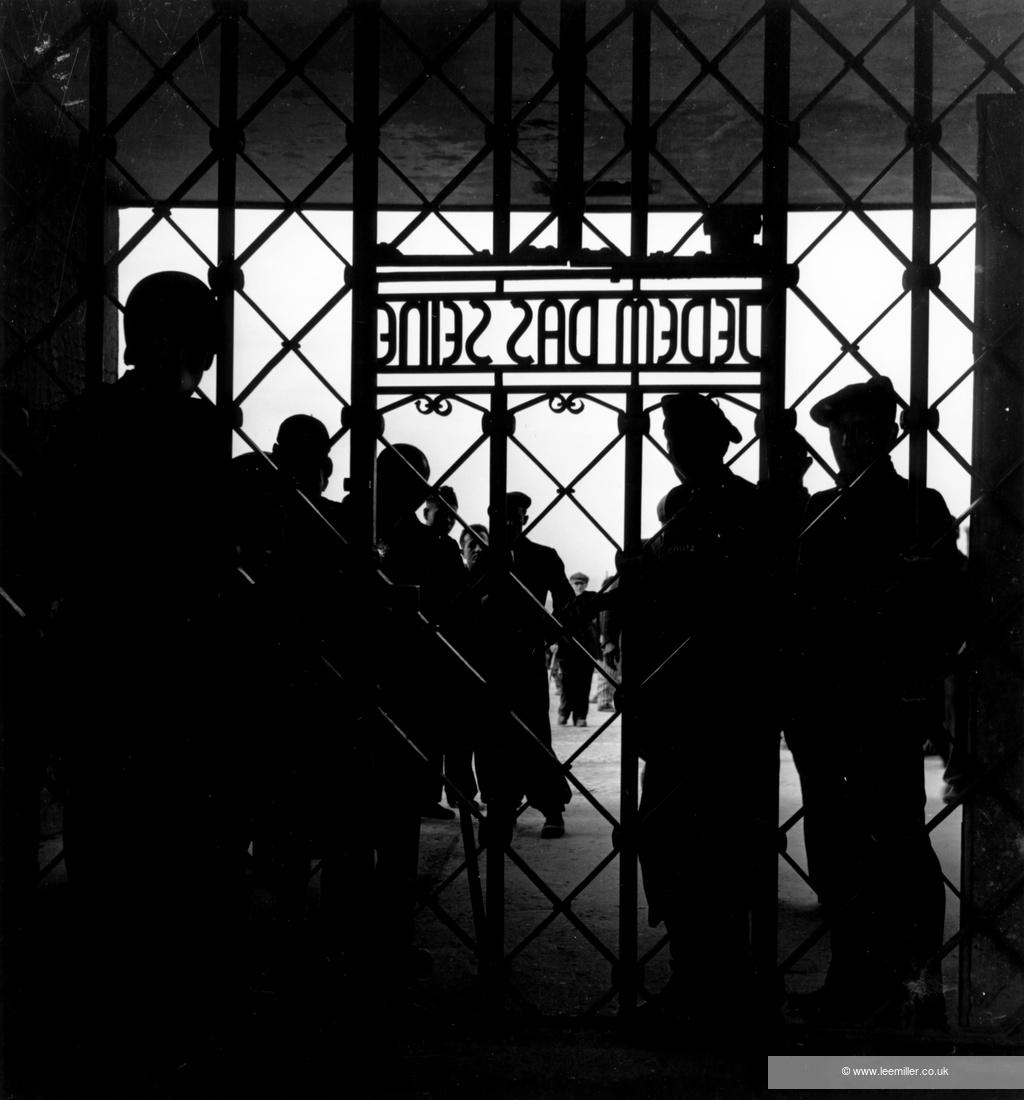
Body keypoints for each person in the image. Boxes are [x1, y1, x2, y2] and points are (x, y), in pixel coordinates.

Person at [35, 271, 238, 1072]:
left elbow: (51, 539)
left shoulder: (86, 421)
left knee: (110, 846)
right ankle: (162, 1013)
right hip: (170, 672)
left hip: (105, 667)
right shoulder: (191, 432)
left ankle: (110, 1010)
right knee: (170, 849)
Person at [787, 376, 961, 1028]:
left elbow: (947, 602)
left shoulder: (920, 505)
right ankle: (852, 979)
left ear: (889, 432)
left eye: (863, 428)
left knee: (897, 846)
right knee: (834, 850)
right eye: (839, 429)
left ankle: (918, 990)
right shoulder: (816, 509)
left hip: (883, 704)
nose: (849, 441)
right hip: (823, 707)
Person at [618, 393, 769, 1037]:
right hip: (672, 709)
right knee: (668, 843)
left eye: (690, 437)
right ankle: (695, 976)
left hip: (722, 708)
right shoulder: (678, 513)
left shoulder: (745, 508)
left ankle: (717, 986)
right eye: (671, 438)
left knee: (717, 851)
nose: (678, 449)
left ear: (721, 440)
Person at [472, 492, 574, 840]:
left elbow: (566, 605)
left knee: (533, 733)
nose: (511, 523)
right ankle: (502, 804)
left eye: (516, 517)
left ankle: (550, 807)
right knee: (492, 737)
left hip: (525, 657)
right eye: (504, 517)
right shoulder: (485, 559)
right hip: (493, 659)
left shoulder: (542, 556)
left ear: (526, 519)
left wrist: (542, 635)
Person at [554, 572, 602, 727]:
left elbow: (598, 624)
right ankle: (564, 713)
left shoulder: (591, 599)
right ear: (571, 584)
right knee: (567, 683)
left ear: (586, 584)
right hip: (567, 650)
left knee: (584, 684)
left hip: (586, 649)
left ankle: (581, 716)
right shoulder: (563, 600)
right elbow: (555, 621)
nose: (579, 586)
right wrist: (554, 641)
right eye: (576, 583)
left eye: (582, 583)